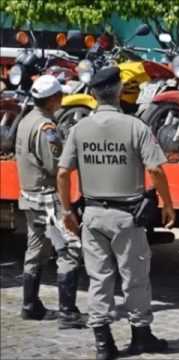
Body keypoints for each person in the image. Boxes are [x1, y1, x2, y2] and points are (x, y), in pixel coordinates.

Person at [57, 67, 176, 360]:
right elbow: (155, 169)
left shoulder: (79, 129)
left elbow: (62, 173)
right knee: (134, 278)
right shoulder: (134, 126)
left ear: (94, 94)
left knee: (99, 279)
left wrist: (66, 210)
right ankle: (140, 336)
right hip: (127, 216)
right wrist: (167, 202)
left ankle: (103, 344)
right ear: (120, 89)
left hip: (93, 215)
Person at [15, 75, 87, 329]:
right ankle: (68, 312)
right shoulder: (47, 127)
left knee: (36, 249)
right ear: (53, 99)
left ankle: (29, 304)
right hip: (48, 198)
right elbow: (56, 166)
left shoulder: (26, 121)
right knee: (70, 249)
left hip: (29, 196)